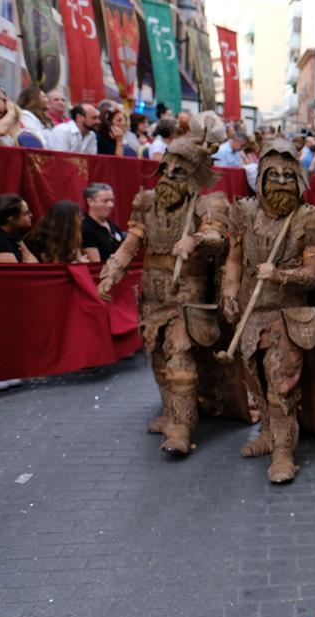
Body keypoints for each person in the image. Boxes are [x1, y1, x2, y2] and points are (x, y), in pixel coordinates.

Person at [97, 114, 232, 455]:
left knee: (180, 364)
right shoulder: (147, 203)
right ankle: (169, 411)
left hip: (186, 300)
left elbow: (218, 235)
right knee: (158, 362)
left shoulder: (206, 203)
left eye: (179, 172)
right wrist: (114, 269)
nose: (169, 177)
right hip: (153, 298)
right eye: (166, 170)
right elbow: (133, 240)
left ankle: (181, 427)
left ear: (193, 177)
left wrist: (197, 240)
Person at [221, 140, 315, 482]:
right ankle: (266, 433)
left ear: (299, 180)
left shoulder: (311, 218)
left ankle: (283, 452)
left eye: (287, 175)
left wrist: (278, 274)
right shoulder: (244, 212)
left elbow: (313, 275)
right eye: (272, 174)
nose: (279, 181)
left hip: (287, 316)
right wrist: (229, 291)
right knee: (257, 383)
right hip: (250, 313)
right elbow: (233, 260)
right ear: (259, 179)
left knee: (281, 386)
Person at [81, 183, 124, 262]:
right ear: (90, 201)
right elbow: (96, 263)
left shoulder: (113, 226)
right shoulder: (85, 228)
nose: (111, 205)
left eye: (112, 200)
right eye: (105, 201)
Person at [0, 194, 38, 263]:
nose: (31, 215)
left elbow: (34, 263)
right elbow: (14, 271)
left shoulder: (13, 235)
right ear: (11, 219)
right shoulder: (0, 239)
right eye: (26, 213)